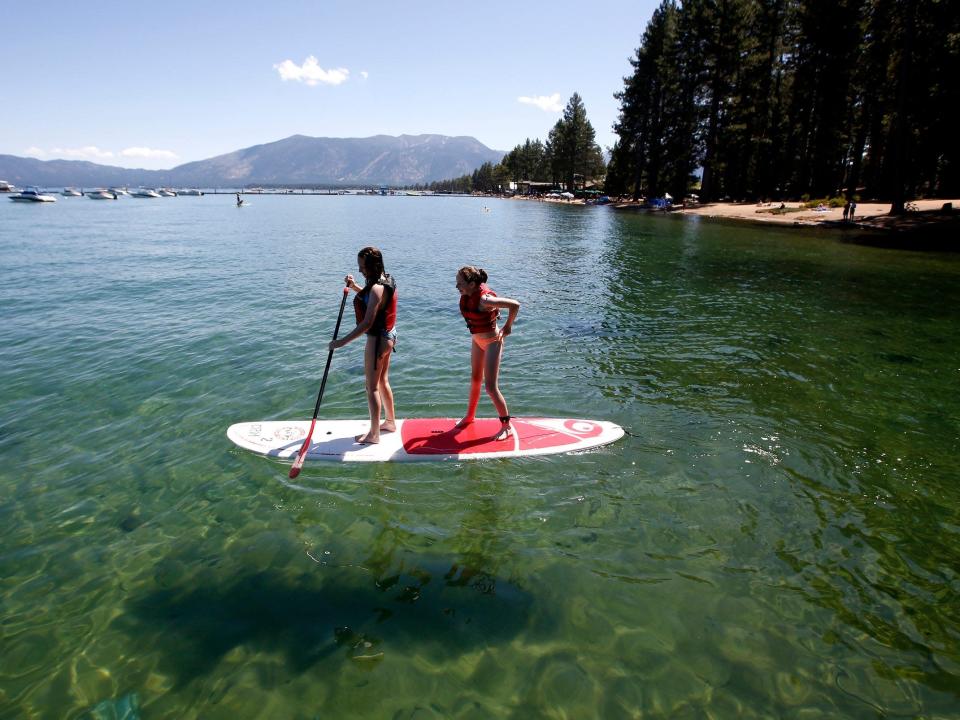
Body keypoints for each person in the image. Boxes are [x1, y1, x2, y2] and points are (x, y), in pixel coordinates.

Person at [329, 247, 398, 444]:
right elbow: (375, 300)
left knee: (371, 387)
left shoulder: (377, 287)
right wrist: (355, 286)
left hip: (377, 340)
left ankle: (374, 435)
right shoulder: (386, 279)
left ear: (373, 266)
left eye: (363, 267)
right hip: (389, 335)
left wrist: (340, 342)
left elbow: (367, 323)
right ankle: (390, 423)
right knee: (383, 381)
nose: (360, 270)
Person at [455, 266, 520, 441]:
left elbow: (515, 305)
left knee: (490, 387)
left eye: (460, 283)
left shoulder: (485, 299)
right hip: (477, 341)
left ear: (473, 284)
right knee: (475, 379)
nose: (456, 286)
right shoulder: (469, 295)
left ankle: (507, 426)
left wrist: (508, 327)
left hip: (492, 342)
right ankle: (470, 416)